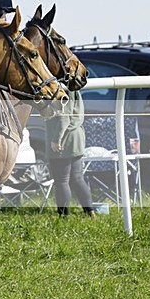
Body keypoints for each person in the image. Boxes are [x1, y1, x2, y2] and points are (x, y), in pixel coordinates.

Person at [45, 89, 96, 217]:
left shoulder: (63, 88)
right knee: (77, 178)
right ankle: (90, 212)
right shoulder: (72, 87)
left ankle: (63, 216)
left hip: (64, 139)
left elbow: (65, 117)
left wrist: (56, 139)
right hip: (75, 138)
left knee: (62, 180)